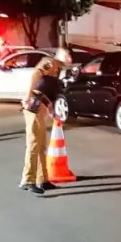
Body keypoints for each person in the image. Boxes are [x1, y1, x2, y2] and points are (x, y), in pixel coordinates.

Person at [19, 48, 72, 195]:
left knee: (42, 145)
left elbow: (48, 91)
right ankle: (27, 180)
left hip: (41, 105)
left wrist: (51, 110)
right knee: (34, 143)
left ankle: (43, 179)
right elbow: (36, 74)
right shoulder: (50, 62)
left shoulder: (58, 68)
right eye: (68, 56)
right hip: (34, 104)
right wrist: (28, 95)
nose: (70, 59)